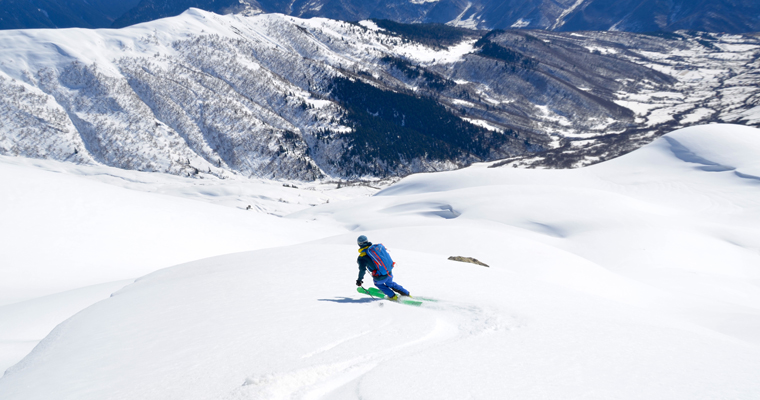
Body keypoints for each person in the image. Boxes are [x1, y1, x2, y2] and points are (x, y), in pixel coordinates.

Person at [355, 235, 411, 300]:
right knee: (390, 283)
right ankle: (406, 294)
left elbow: (362, 270)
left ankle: (393, 297)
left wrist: (359, 280)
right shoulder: (375, 249)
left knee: (378, 284)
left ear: (359, 244)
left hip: (380, 276)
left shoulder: (362, 257)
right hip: (389, 271)